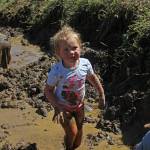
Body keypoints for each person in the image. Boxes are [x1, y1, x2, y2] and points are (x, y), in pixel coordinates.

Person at [44, 25, 105, 150]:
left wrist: (101, 94)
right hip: (63, 108)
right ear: (58, 53)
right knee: (72, 133)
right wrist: (57, 107)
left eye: (74, 48)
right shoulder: (56, 71)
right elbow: (48, 90)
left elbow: (93, 78)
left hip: (79, 106)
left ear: (80, 48)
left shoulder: (85, 64)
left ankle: (73, 146)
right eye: (66, 50)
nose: (71, 52)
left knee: (79, 133)